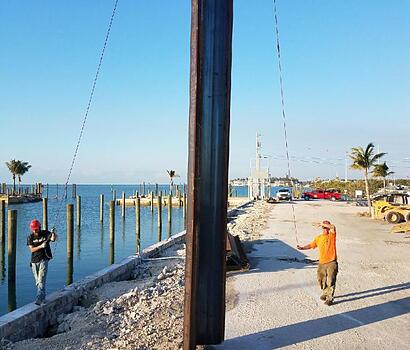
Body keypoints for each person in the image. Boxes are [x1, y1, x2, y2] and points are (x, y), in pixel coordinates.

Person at [297, 220, 338, 306]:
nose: (325, 229)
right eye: (324, 228)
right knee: (321, 279)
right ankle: (325, 292)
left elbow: (333, 227)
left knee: (331, 280)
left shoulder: (331, 236)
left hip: (331, 262)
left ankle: (330, 298)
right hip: (322, 262)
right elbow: (311, 245)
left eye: (327, 227)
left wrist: (321, 224)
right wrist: (302, 248)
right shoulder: (318, 238)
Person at [27, 220, 57, 305]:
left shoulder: (45, 233)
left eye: (36, 229)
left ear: (39, 228)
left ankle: (39, 299)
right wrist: (41, 246)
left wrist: (53, 233)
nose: (34, 231)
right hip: (34, 261)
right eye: (33, 229)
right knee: (38, 281)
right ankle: (43, 298)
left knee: (41, 279)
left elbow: (53, 239)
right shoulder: (30, 237)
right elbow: (32, 249)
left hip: (44, 259)